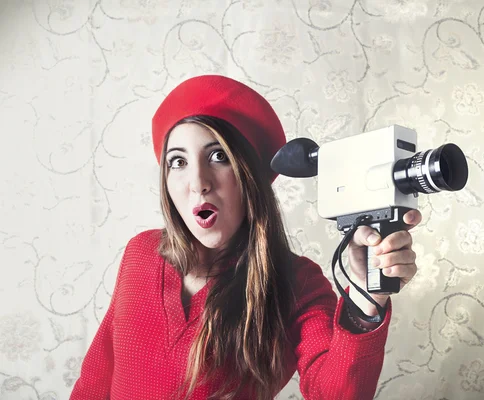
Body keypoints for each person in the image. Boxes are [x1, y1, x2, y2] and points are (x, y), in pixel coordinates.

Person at [70, 75, 421, 400]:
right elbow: (96, 377)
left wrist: (366, 295)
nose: (198, 182)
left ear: (249, 176)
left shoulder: (295, 282)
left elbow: (336, 394)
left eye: (218, 156)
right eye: (177, 162)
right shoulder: (141, 252)